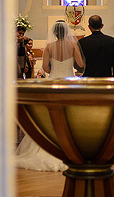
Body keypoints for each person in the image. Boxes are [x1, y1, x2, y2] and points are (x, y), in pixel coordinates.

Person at [15, 20, 83, 172]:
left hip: (53, 81)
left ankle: (47, 143)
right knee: (69, 113)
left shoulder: (49, 46)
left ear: (54, 33)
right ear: (67, 33)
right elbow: (80, 64)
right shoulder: (73, 45)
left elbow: (45, 67)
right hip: (69, 82)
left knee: (50, 114)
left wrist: (54, 67)